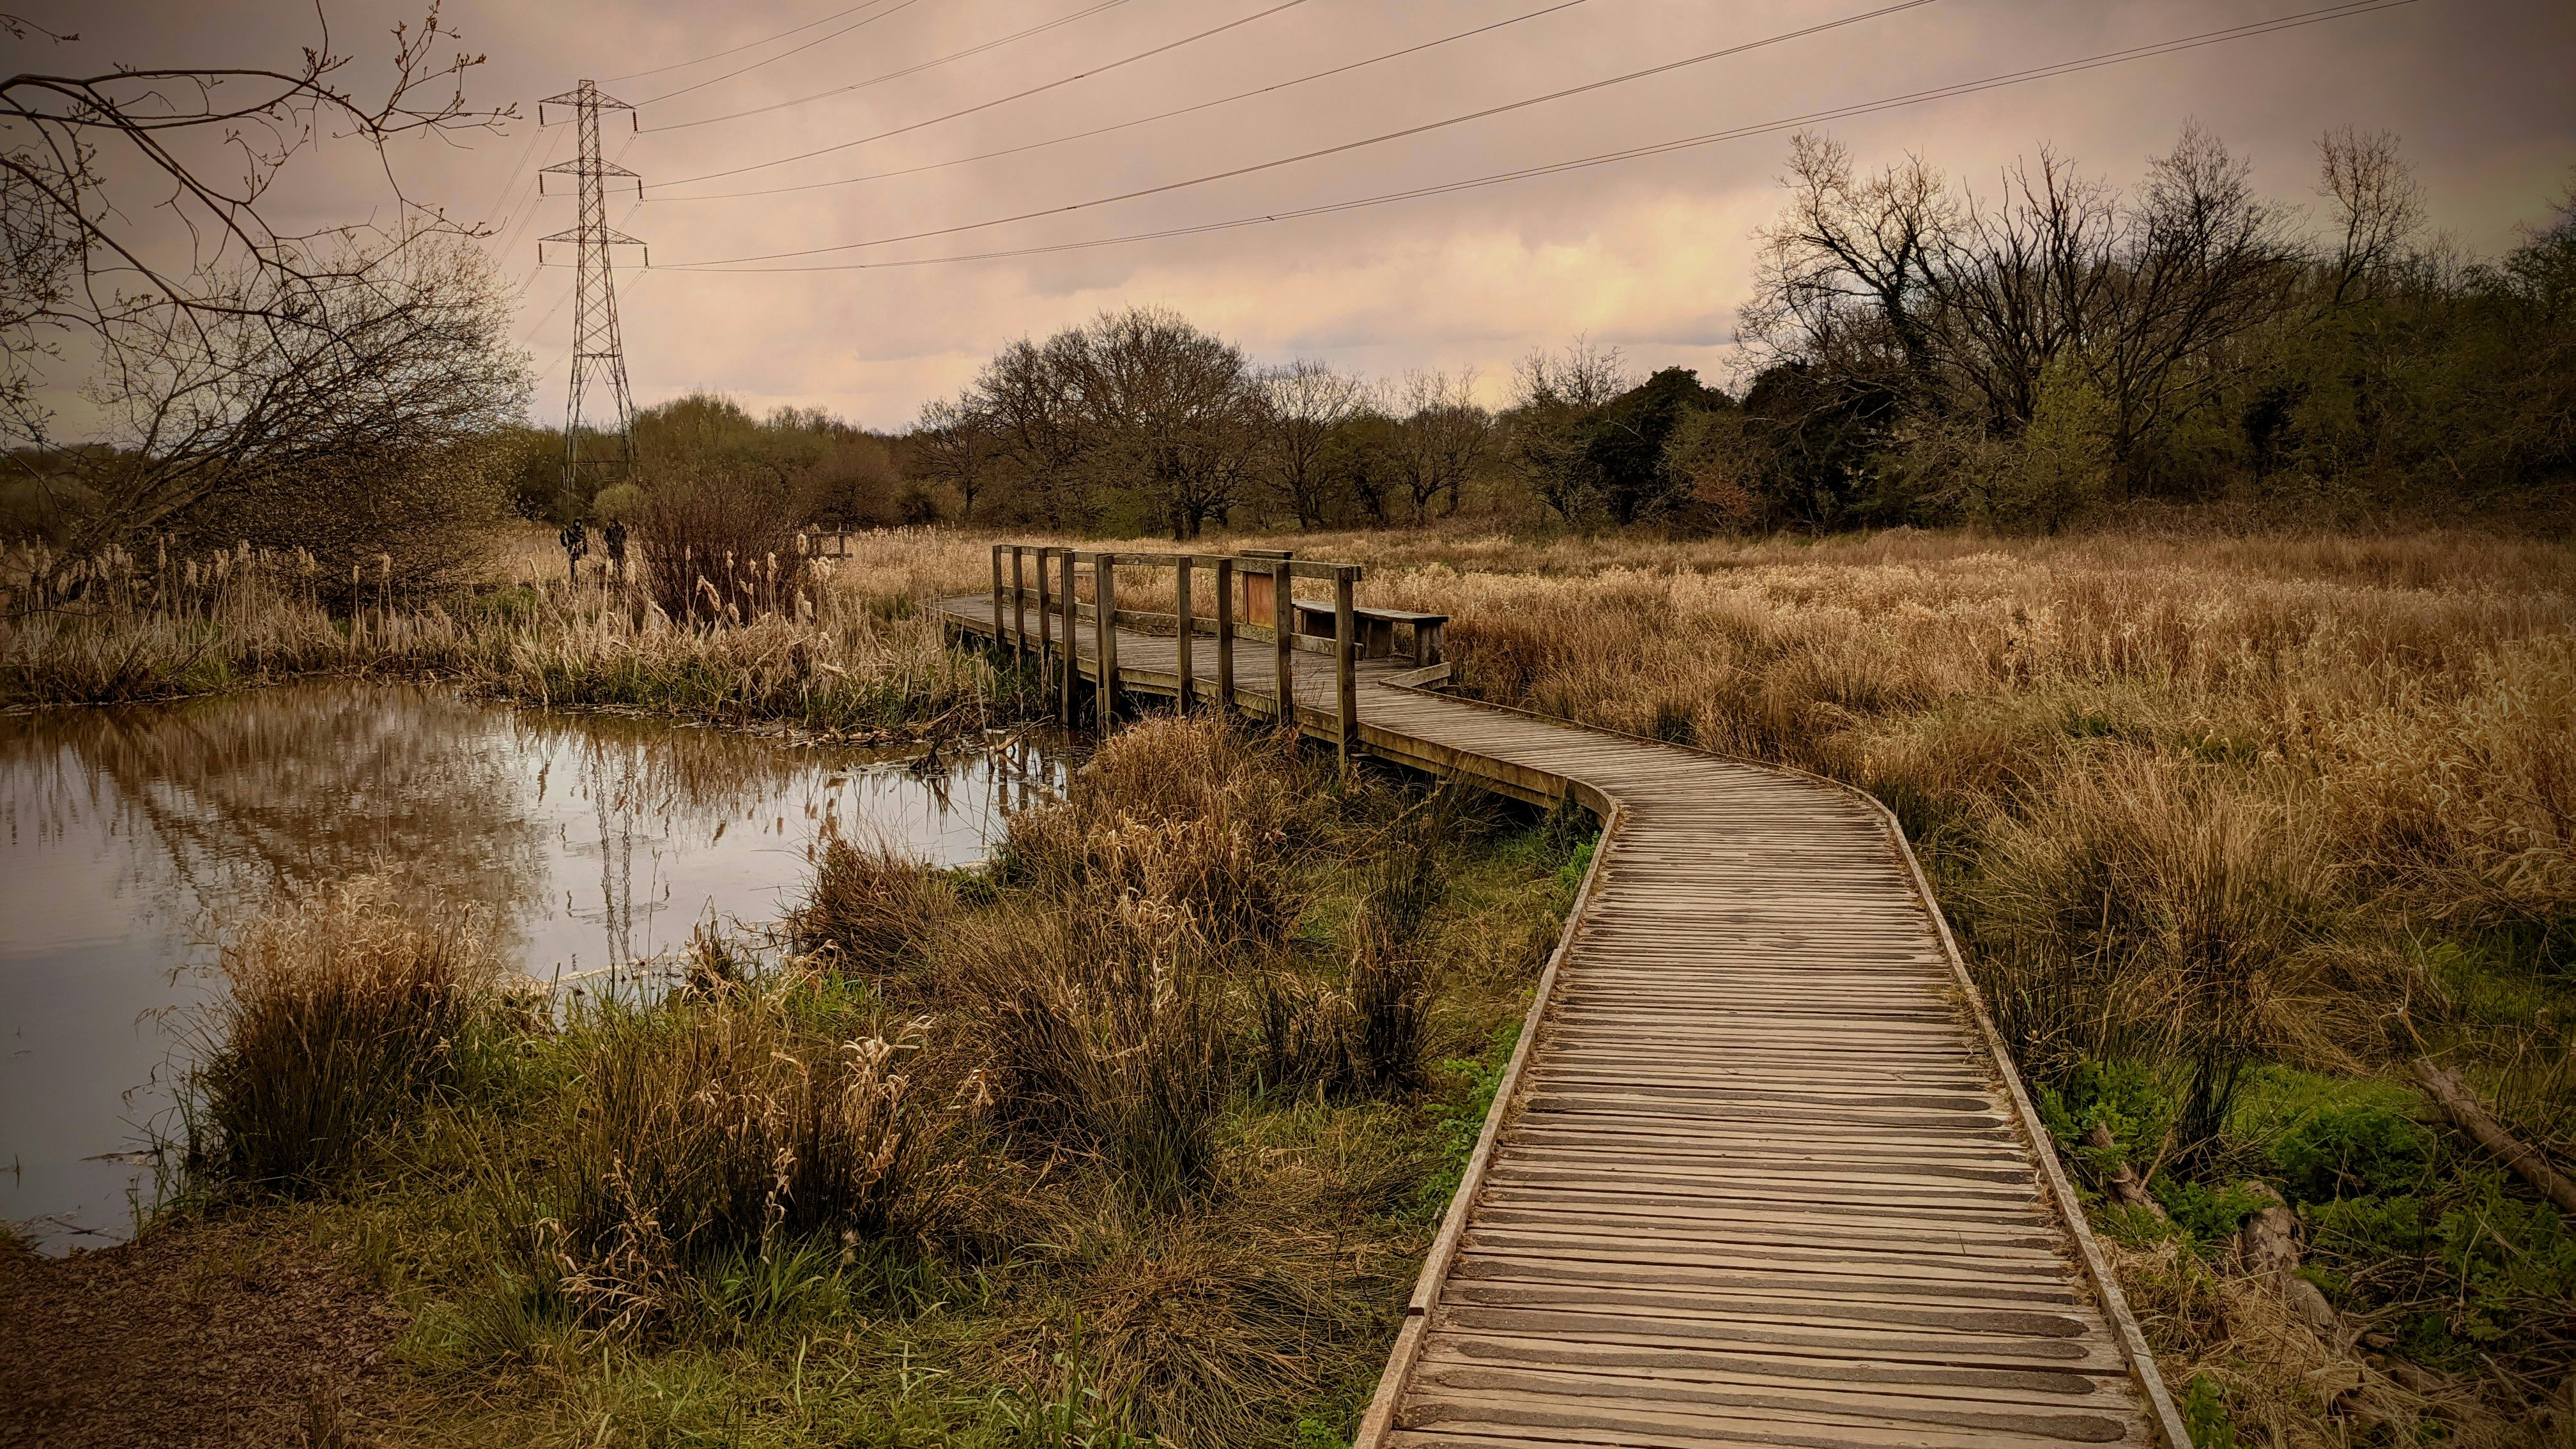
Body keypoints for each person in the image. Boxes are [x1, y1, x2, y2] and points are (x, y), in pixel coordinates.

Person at [559, 519, 589, 586]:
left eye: (579, 523)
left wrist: (585, 550)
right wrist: (565, 544)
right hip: (571, 549)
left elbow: (585, 541)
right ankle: (573, 579)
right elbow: (562, 536)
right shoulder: (570, 530)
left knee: (577, 564)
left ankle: (577, 579)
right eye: (576, 523)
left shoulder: (582, 532)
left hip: (579, 549)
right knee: (572, 564)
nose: (577, 524)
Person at [602, 518, 628, 583]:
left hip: (619, 548)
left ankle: (621, 577)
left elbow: (625, 536)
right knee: (611, 562)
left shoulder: (621, 529)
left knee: (620, 563)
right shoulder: (609, 529)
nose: (615, 524)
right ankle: (611, 577)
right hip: (612, 548)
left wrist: (621, 543)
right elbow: (606, 537)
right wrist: (610, 543)